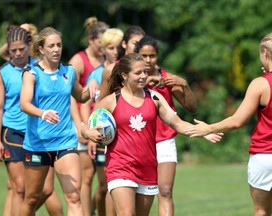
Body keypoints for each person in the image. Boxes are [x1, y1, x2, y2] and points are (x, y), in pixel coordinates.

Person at [84, 53, 222, 215]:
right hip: (120, 167)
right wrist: (88, 133)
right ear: (124, 75)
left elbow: (178, 124)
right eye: (138, 73)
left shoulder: (154, 98)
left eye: (145, 72)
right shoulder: (111, 101)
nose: (143, 76)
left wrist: (204, 130)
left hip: (147, 169)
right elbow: (87, 126)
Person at [185, 33, 272, 216]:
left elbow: (237, 121)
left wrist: (207, 128)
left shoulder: (260, 84)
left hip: (265, 157)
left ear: (264, 52)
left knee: (261, 211)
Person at [18, 27, 96, 216]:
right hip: (38, 144)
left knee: (74, 197)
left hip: (65, 142)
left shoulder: (68, 72)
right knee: (32, 199)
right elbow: (24, 104)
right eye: (51, 46)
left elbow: (81, 96)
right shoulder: (32, 73)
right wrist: (42, 113)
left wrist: (92, 85)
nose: (56, 49)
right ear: (41, 49)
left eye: (59, 45)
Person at [0, 24, 64, 216]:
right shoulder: (3, 71)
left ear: (30, 46)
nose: (17, 53)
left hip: (38, 133)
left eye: (22, 49)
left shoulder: (40, 67)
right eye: (13, 50)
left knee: (45, 190)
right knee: (18, 188)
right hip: (14, 133)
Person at [135, 35, 197, 216]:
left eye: (152, 56)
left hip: (164, 141)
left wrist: (184, 84)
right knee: (140, 195)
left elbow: (192, 108)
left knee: (165, 191)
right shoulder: (130, 79)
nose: (148, 60)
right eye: (144, 56)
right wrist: (149, 81)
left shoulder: (167, 79)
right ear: (137, 55)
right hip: (138, 143)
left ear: (157, 56)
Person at [69, 16, 109, 216]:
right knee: (86, 177)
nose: (105, 48)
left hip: (102, 122)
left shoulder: (108, 60)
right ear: (91, 40)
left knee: (105, 183)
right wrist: (80, 126)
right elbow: (68, 95)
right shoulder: (78, 60)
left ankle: (93, 209)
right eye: (102, 43)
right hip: (82, 119)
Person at [82, 28, 123, 216]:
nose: (115, 51)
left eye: (118, 47)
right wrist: (89, 132)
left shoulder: (125, 70)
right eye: (111, 47)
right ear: (104, 49)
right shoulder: (97, 73)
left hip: (120, 133)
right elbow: (86, 104)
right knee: (103, 185)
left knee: (112, 185)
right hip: (102, 133)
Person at [97, 25, 145, 101]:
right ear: (124, 44)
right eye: (135, 43)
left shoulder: (149, 68)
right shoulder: (110, 70)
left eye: (141, 44)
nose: (138, 47)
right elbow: (100, 102)